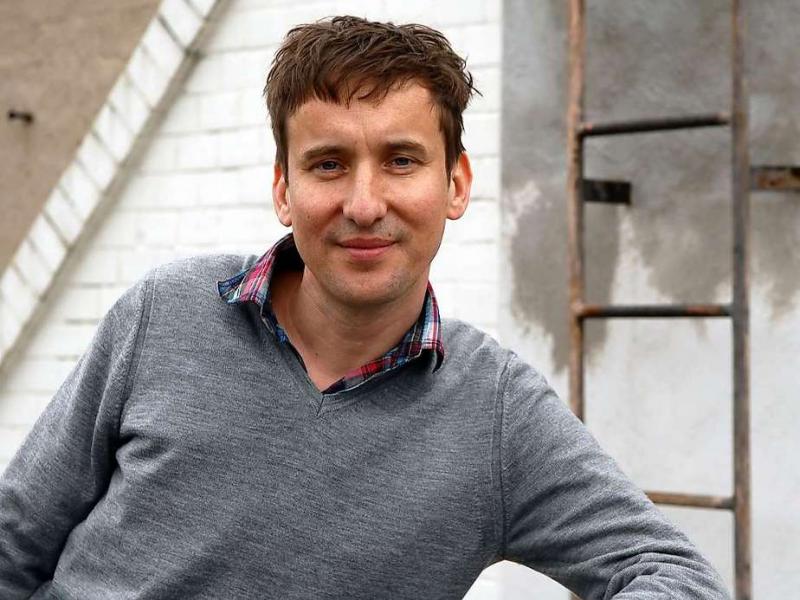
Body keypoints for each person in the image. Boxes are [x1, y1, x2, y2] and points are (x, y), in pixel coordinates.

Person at [0, 16, 729, 600]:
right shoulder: (164, 315)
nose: (364, 203)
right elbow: (15, 538)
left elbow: (671, 574)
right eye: (329, 164)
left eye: (401, 160)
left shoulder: (496, 414)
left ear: (456, 184)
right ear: (284, 190)